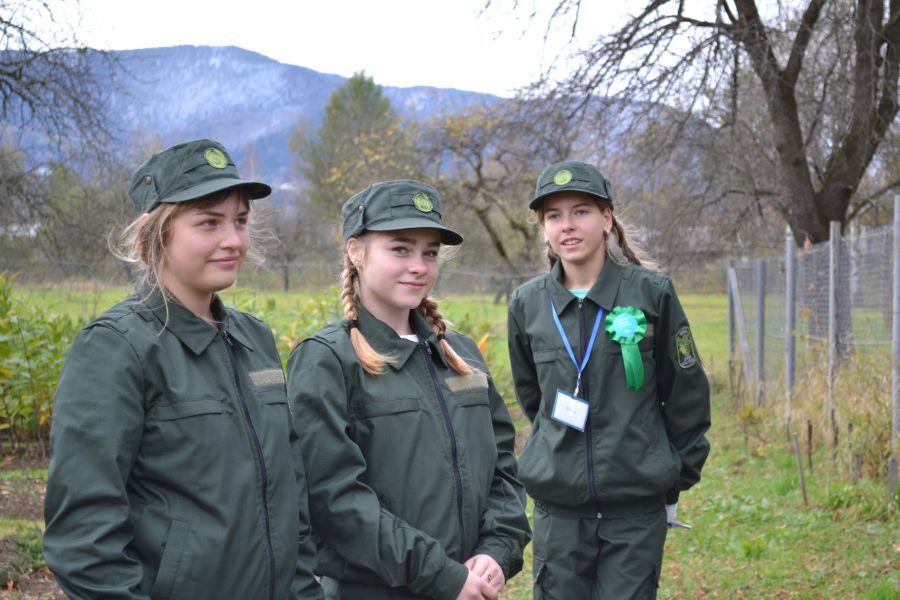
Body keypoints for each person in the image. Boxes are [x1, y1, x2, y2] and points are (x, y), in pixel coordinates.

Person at [43, 139, 323, 600]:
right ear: (157, 232)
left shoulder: (256, 339)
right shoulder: (116, 347)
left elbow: (289, 496)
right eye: (209, 222)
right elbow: (82, 540)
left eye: (240, 221)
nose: (233, 240)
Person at [286, 180, 531, 600]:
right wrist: (439, 575)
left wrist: (498, 550)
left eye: (429, 253)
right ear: (356, 252)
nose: (419, 266)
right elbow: (335, 501)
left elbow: (503, 469)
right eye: (400, 249)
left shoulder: (462, 354)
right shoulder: (328, 359)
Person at [507, 160, 711, 599]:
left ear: (607, 219)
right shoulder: (526, 305)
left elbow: (687, 396)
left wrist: (672, 477)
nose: (568, 226)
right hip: (558, 514)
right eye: (554, 216)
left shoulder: (651, 293)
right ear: (543, 228)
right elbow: (533, 398)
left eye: (581, 211)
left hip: (635, 515)